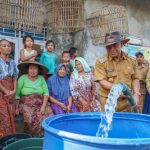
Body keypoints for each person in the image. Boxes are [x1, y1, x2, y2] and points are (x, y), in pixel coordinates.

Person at [95, 31, 140, 112]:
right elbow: (102, 81)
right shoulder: (100, 62)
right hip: (108, 104)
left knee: (127, 124)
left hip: (127, 103)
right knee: (109, 124)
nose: (112, 49)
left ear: (121, 44)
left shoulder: (131, 60)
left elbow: (135, 78)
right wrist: (118, 90)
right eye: (109, 47)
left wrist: (136, 94)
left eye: (115, 45)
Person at [15, 61, 53, 136]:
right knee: (29, 119)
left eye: (35, 69)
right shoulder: (23, 78)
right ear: (27, 69)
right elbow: (17, 95)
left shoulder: (41, 78)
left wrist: (43, 106)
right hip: (26, 104)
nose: (33, 71)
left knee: (49, 116)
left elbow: (46, 93)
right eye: (31, 68)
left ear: (38, 70)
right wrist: (16, 108)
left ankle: (42, 137)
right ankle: (30, 136)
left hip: (40, 103)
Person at [0, 39, 18, 137]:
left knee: (11, 114)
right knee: (4, 117)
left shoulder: (12, 62)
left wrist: (14, 90)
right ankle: (3, 139)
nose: (7, 47)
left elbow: (15, 77)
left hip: (11, 92)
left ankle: (10, 138)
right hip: (1, 92)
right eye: (4, 45)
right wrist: (5, 90)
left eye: (8, 46)